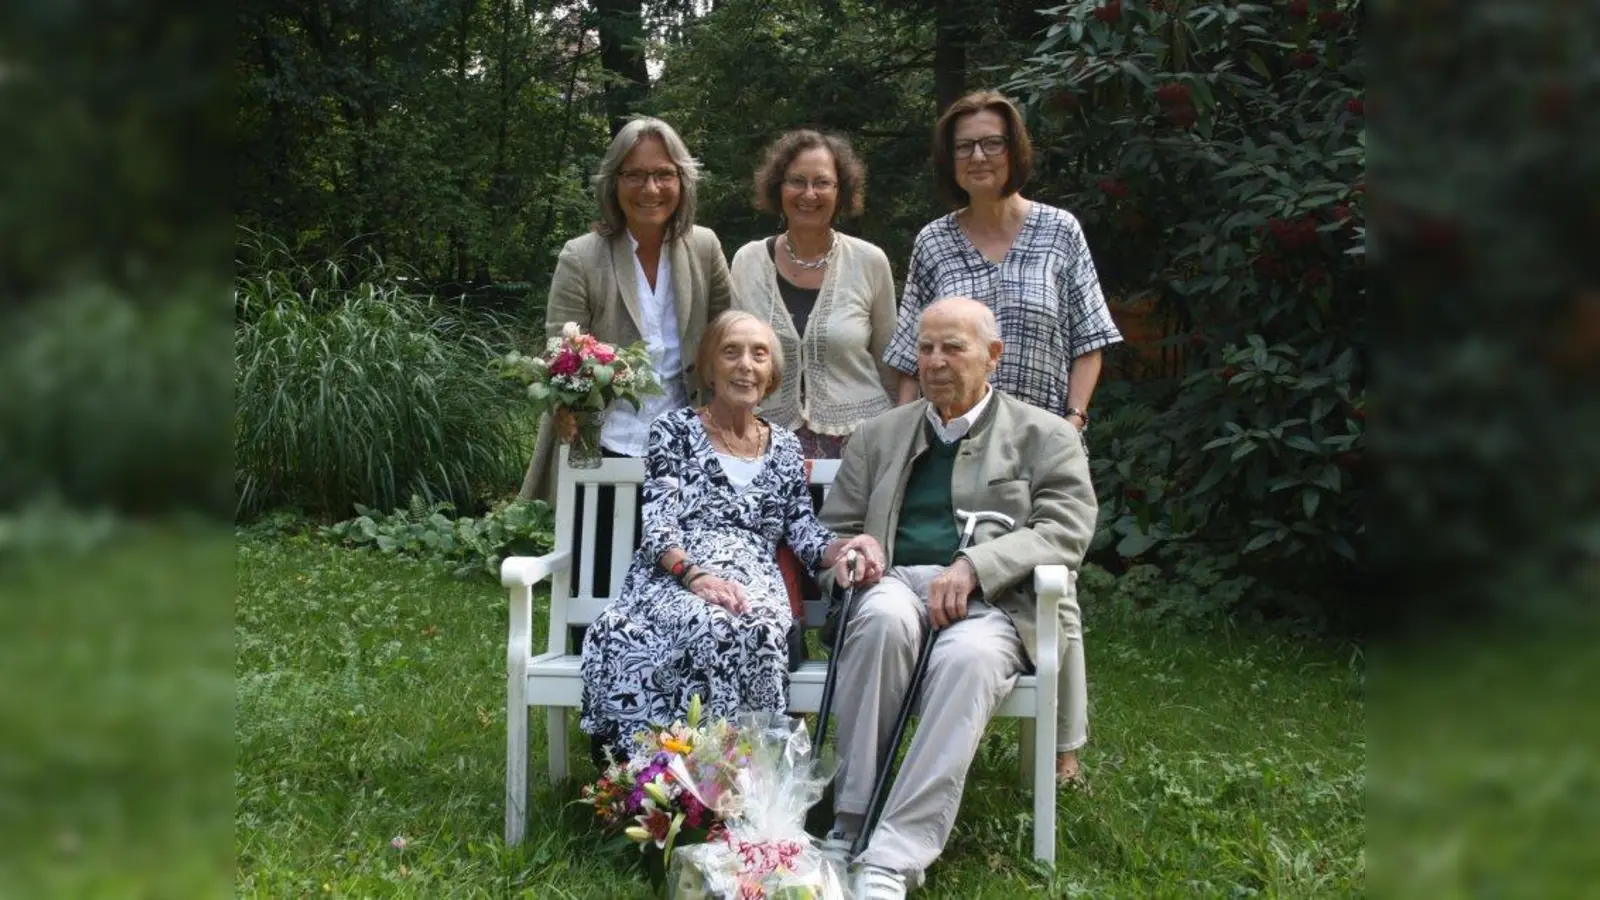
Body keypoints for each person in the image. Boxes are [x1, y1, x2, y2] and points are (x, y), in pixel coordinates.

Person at [818, 297, 1097, 899]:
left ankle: (894, 855)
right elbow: (836, 531)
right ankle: (850, 821)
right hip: (895, 584)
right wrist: (850, 555)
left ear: (994, 356)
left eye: (954, 347)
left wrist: (975, 566)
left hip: (996, 602)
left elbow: (1066, 529)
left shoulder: (1044, 435)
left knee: (965, 660)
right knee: (884, 620)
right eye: (925, 348)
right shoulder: (878, 435)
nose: (936, 362)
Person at [882, 90, 1121, 782]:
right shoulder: (933, 240)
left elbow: (1091, 337)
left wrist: (1074, 424)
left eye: (992, 143)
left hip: (1037, 443)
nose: (979, 156)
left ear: (1015, 151)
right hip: (956, 441)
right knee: (950, 570)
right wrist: (908, 440)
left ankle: (1061, 745)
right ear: (949, 160)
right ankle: (937, 710)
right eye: (965, 146)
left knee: (1052, 581)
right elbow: (911, 351)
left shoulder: (1060, 231)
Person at [580, 311, 885, 761]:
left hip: (753, 580)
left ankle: (751, 780)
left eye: (759, 354)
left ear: (771, 374)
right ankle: (667, 777)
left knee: (758, 625)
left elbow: (802, 531)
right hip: (676, 577)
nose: (746, 364)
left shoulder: (784, 446)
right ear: (708, 368)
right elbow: (659, 524)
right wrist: (696, 577)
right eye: (731, 352)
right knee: (709, 623)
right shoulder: (674, 432)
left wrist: (844, 547)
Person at [516, 116, 733, 607]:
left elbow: (727, 338)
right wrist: (562, 407)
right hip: (603, 443)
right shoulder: (582, 255)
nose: (650, 188)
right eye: (634, 174)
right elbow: (558, 352)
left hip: (688, 448)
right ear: (614, 182)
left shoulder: (704, 247)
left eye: (664, 174)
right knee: (599, 590)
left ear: (682, 180)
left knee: (685, 595)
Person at [730, 129, 897, 459]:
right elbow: (731, 361)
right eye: (796, 181)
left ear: (841, 191)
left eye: (822, 183)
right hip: (766, 446)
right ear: (779, 188)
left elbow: (889, 363)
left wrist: (898, 439)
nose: (809, 194)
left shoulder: (870, 261)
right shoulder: (747, 261)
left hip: (862, 447)